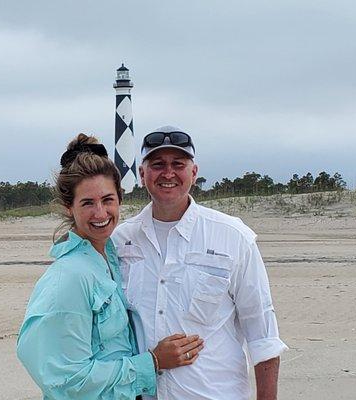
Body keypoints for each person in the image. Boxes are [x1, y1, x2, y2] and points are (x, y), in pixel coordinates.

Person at [17, 133, 204, 400]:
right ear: (69, 208)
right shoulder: (69, 276)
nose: (101, 213)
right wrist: (152, 363)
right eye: (87, 203)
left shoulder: (109, 259)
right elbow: (65, 381)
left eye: (107, 200)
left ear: (119, 199)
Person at [113, 126, 288, 400]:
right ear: (142, 174)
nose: (168, 173)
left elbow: (263, 334)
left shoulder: (234, 237)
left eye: (178, 165)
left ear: (193, 173)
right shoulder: (120, 241)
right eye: (157, 164)